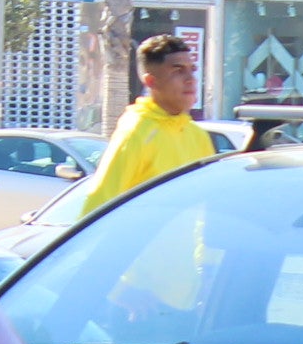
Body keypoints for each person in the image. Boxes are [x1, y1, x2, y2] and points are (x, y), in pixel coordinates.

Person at [79, 33, 217, 218]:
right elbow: (100, 203)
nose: (190, 79)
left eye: (192, 69)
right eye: (178, 70)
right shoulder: (136, 132)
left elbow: (208, 208)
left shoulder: (198, 136)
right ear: (151, 81)